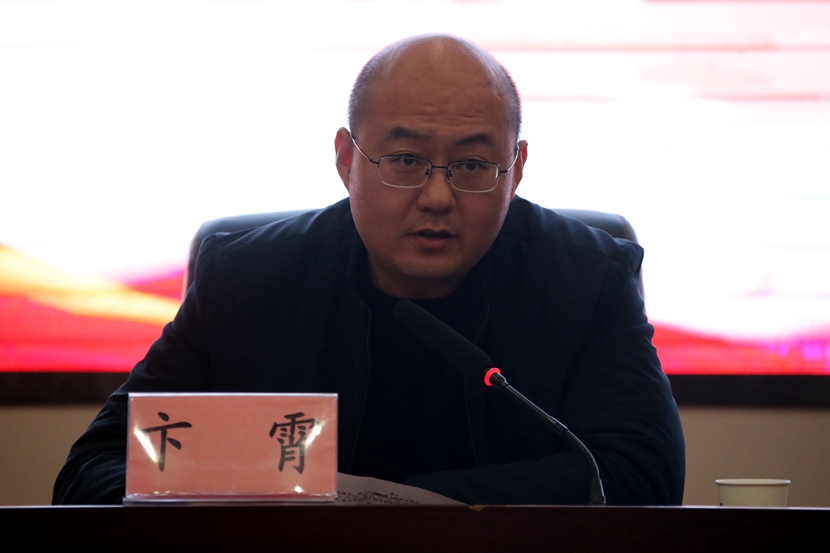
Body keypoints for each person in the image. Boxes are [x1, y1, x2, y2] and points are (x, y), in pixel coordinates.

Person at [53, 34, 685, 505]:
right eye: (405, 160)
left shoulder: (587, 280)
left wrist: (390, 509)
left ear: (515, 170)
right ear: (346, 160)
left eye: (471, 166)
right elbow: (94, 470)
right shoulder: (248, 281)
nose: (437, 197)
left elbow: (640, 476)